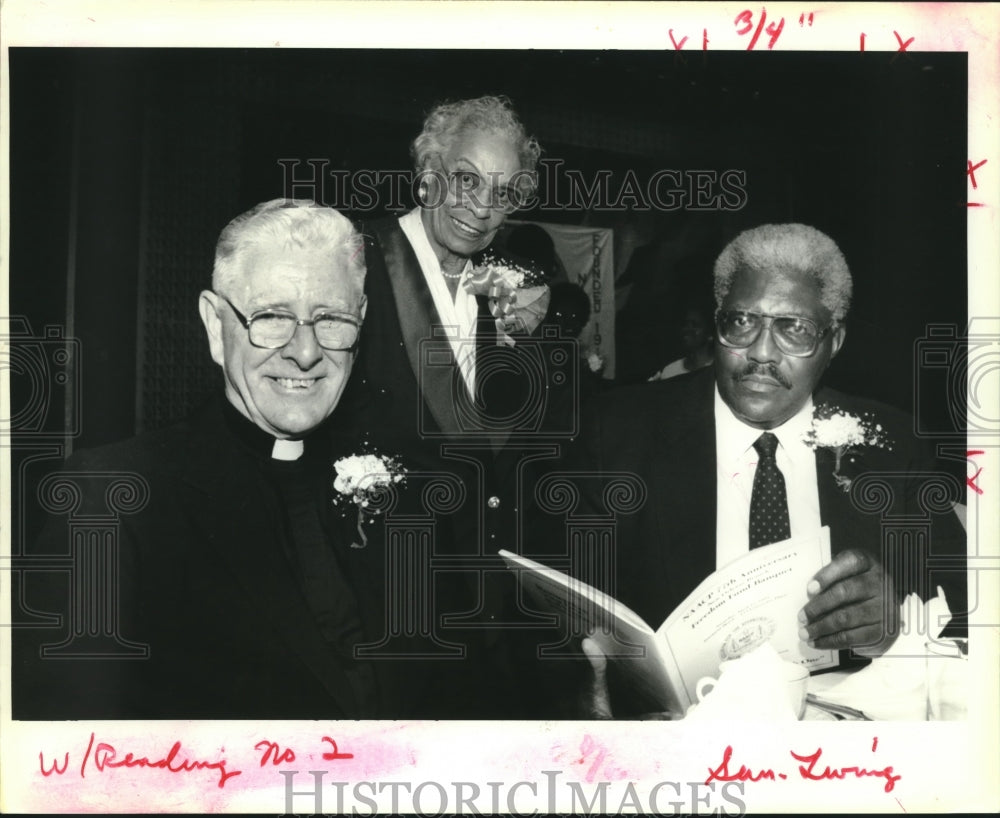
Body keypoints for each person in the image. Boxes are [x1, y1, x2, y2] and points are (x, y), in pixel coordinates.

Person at [13, 199, 481, 719]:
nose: (305, 352)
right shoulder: (110, 500)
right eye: (272, 317)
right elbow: (65, 760)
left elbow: (463, 699)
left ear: (362, 322)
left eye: (331, 319)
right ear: (216, 325)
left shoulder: (412, 491)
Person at [556, 223, 968, 717]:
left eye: (794, 328)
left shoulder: (894, 446)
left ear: (834, 340)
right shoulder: (618, 434)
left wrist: (897, 627)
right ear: (716, 324)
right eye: (741, 322)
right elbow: (562, 609)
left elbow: (964, 613)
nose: (762, 353)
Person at [342, 96, 556, 716]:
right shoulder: (355, 264)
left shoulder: (502, 294)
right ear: (428, 172)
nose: (483, 207)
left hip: (485, 632)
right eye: (466, 179)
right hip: (378, 626)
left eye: (504, 190)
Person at [647, 300, 714, 381]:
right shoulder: (670, 372)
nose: (687, 329)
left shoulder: (719, 369)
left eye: (695, 325)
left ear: (709, 333)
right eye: (685, 324)